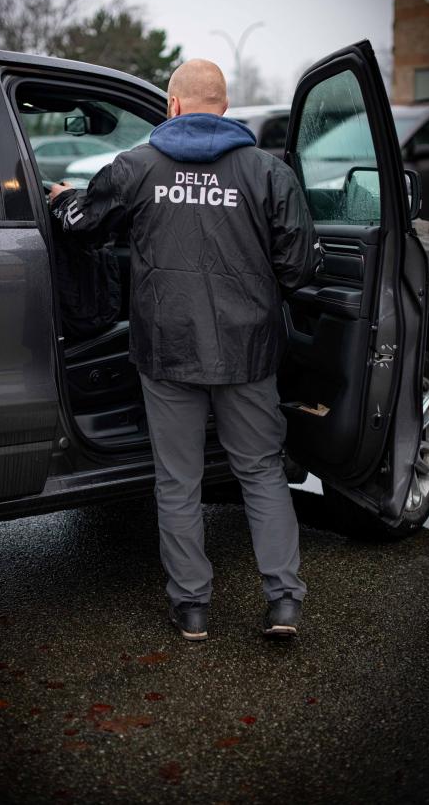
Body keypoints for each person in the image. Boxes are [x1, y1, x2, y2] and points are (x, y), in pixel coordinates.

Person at [49, 59, 320, 641]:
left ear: (172, 106)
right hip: (248, 352)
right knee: (261, 473)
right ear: (225, 106)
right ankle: (284, 602)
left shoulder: (136, 168)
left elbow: (81, 225)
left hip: (167, 352)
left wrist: (63, 197)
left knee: (179, 482)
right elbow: (297, 267)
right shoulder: (269, 174)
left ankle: (192, 608)